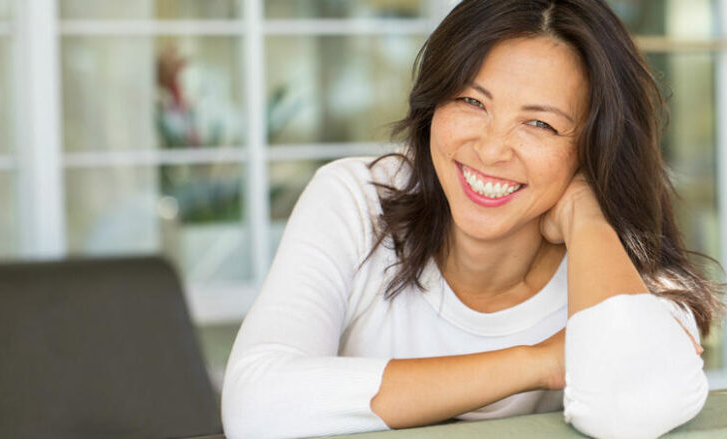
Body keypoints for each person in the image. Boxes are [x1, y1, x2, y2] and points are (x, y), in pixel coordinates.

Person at [221, 1, 726, 438]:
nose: (488, 148)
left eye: (539, 123)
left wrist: (588, 217)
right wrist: (540, 361)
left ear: (595, 148)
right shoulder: (358, 196)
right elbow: (255, 404)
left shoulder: (622, 262)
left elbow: (627, 410)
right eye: (470, 100)